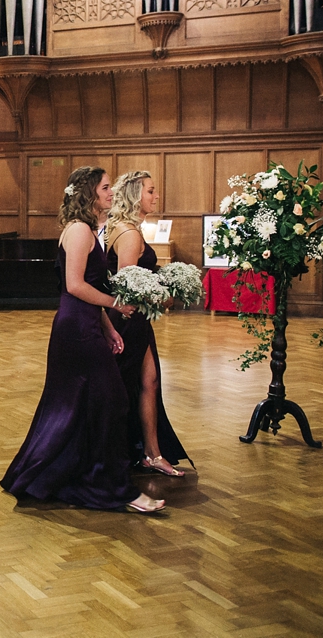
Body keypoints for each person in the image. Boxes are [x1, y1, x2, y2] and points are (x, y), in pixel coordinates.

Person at [0, 166, 165, 513]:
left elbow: (87, 286)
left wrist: (109, 328)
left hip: (87, 326)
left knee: (79, 406)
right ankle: (113, 487)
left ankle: (66, 473)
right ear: (89, 194)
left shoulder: (88, 230)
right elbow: (74, 286)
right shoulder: (78, 231)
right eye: (105, 187)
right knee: (113, 400)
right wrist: (115, 304)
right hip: (76, 330)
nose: (111, 193)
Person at [104, 171, 191, 476]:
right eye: (151, 191)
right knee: (129, 386)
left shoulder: (126, 228)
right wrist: (165, 298)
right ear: (135, 196)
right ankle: (121, 454)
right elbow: (128, 285)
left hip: (136, 320)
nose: (156, 196)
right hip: (128, 320)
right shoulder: (129, 234)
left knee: (149, 383)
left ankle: (152, 454)